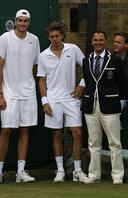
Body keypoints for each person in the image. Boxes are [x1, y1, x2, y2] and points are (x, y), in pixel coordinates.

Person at [0, 9, 40, 184]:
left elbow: (35, 66)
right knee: (6, 130)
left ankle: (21, 172)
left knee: (25, 130)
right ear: (15, 22)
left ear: (29, 23)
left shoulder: (35, 40)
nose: (23, 23)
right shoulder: (4, 39)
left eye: (26, 21)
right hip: (8, 93)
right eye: (20, 20)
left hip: (28, 93)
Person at [37, 21, 88, 183]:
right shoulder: (43, 55)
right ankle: (60, 170)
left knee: (77, 133)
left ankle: (77, 171)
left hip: (71, 98)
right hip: (53, 100)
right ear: (49, 37)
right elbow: (41, 81)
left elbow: (88, 67)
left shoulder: (72, 49)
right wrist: (45, 101)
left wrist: (81, 85)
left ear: (62, 35)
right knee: (57, 133)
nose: (55, 39)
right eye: (52, 36)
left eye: (57, 36)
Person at [82, 31, 125, 184]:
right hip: (91, 106)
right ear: (92, 42)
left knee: (114, 142)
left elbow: (121, 83)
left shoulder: (115, 60)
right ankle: (94, 175)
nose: (98, 42)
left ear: (105, 42)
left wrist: (120, 101)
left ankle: (117, 175)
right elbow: (88, 82)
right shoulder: (86, 60)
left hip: (110, 106)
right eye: (95, 40)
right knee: (93, 142)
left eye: (101, 40)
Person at [112, 32, 128, 117]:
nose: (115, 44)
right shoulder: (109, 59)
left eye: (118, 42)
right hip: (110, 102)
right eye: (114, 42)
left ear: (126, 45)